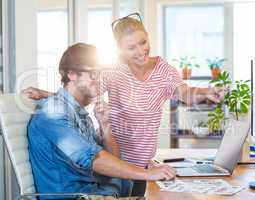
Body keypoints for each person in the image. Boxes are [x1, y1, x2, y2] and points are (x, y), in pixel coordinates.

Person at [24, 13, 224, 196]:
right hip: (105, 176)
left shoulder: (163, 70)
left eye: (143, 42)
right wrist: (48, 94)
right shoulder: (60, 110)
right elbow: (83, 95)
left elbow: (185, 93)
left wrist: (206, 92)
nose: (140, 51)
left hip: (128, 168)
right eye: (131, 47)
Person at [27, 43, 176, 200]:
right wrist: (147, 174)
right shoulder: (54, 113)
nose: (99, 80)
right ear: (71, 74)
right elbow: (94, 160)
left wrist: (106, 125)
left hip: (97, 192)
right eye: (93, 73)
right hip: (75, 196)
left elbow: (113, 159)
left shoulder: (79, 113)